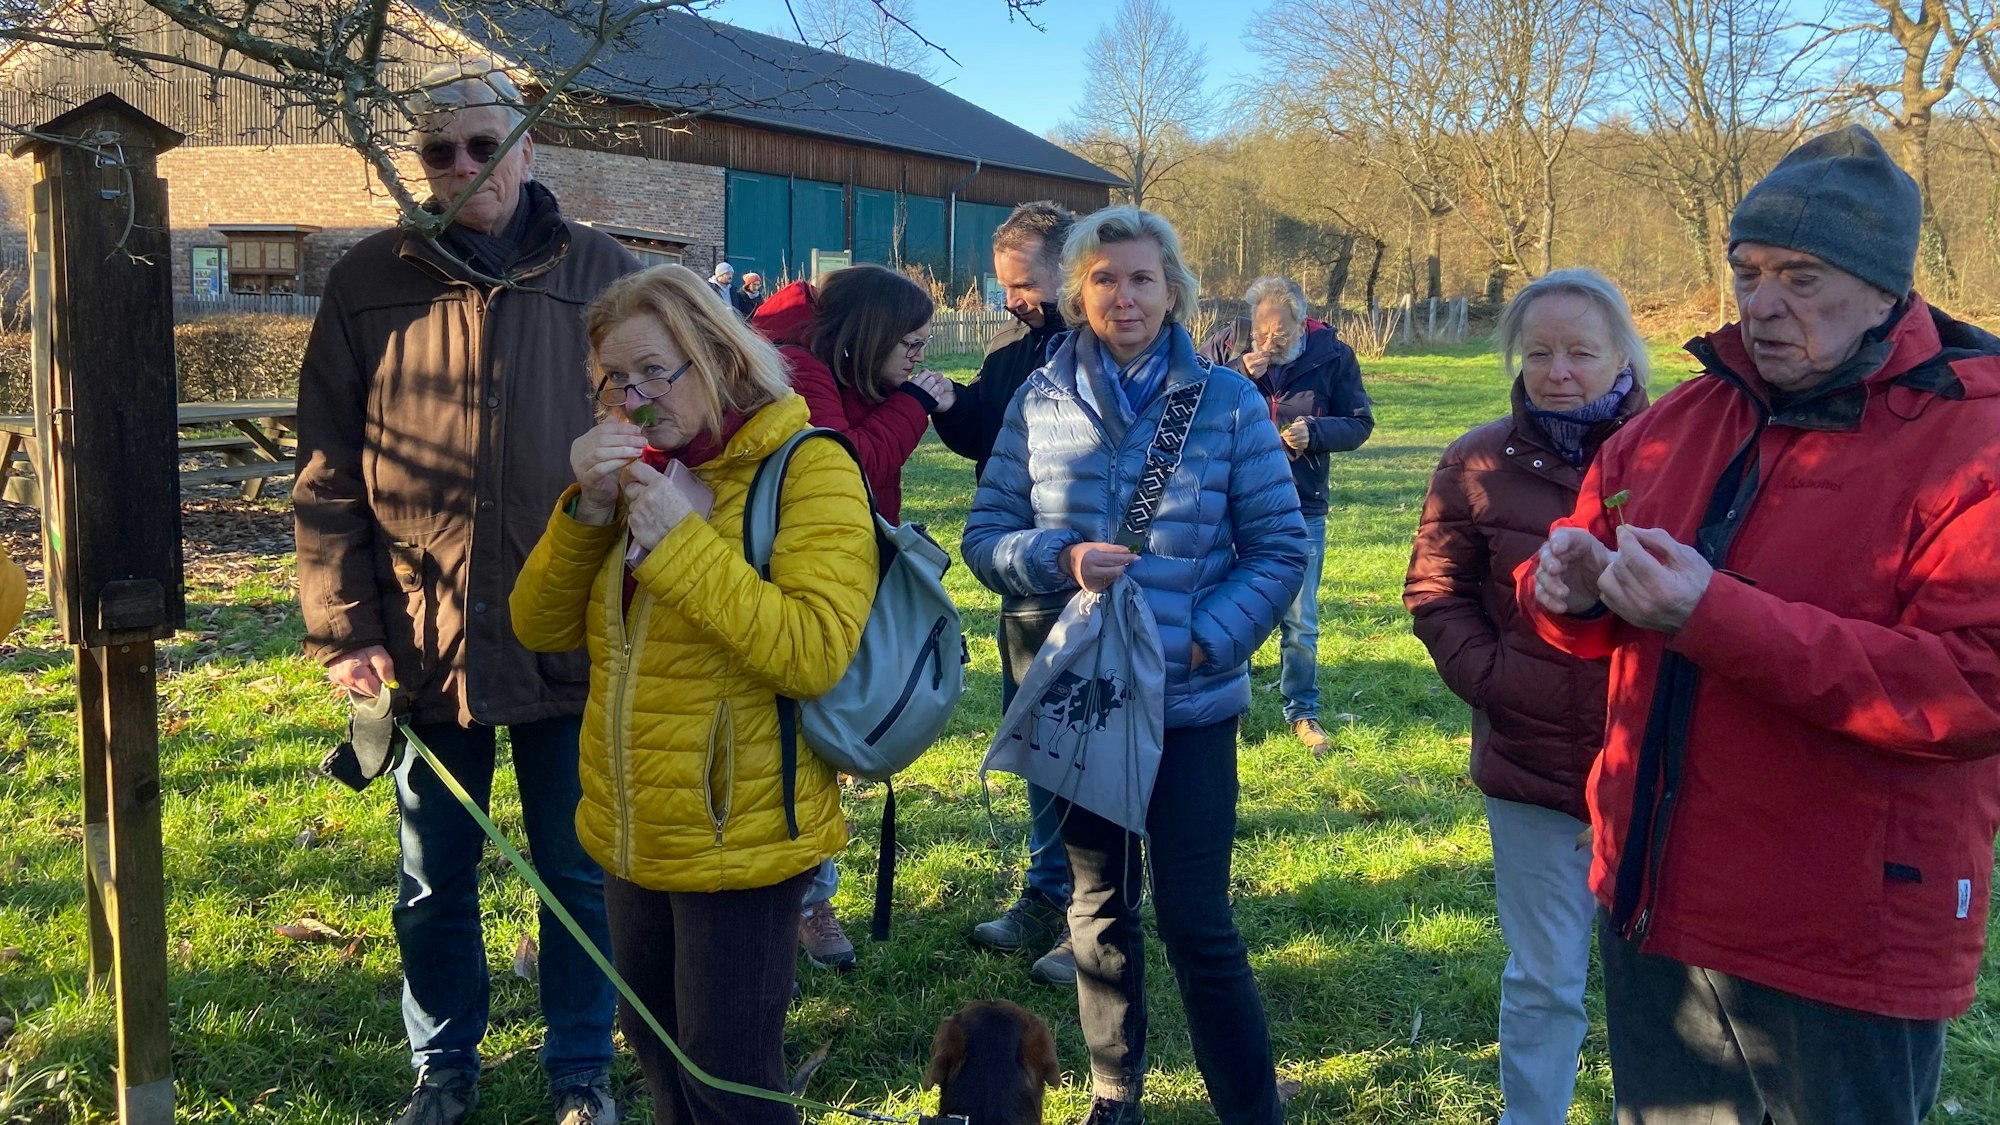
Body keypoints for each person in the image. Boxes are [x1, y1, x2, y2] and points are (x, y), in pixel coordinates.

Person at [1519, 126, 2000, 1124]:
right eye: (1747, 272)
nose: (1763, 304)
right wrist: (1562, 586)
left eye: (1802, 278)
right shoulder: (1677, 423)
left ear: (1885, 290)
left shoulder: (1974, 442)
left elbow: (1972, 686)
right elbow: (1580, 564)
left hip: (1844, 935)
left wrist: (1711, 614)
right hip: (1656, 898)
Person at [292, 60, 633, 1125]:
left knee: (578, 874)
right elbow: (327, 468)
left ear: (527, 147)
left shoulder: (604, 272)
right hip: (420, 632)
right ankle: (443, 1064)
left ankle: (581, 1068)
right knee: (433, 875)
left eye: (483, 144)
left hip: (571, 627)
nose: (461, 165)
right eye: (438, 150)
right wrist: (345, 627)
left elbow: (679, 421)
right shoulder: (368, 279)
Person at [962, 205, 1308, 1125]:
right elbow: (985, 535)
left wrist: (1202, 639)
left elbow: (1279, 548)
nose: (1125, 295)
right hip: (1083, 703)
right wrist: (1058, 556)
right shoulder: (1038, 400)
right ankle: (1115, 1094)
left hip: (1189, 705)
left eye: (1143, 278)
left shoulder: (1228, 402)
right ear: (1077, 291)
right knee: (1098, 909)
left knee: (1198, 921)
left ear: (1174, 290)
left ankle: (1251, 1109)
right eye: (1105, 278)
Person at [511, 264, 877, 1124]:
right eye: (613, 379)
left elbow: (813, 651)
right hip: (631, 821)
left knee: (731, 1080)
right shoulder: (640, 471)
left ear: (718, 355)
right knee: (658, 1053)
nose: (632, 399)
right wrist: (588, 508)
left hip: (738, 830)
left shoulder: (808, 468)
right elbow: (539, 624)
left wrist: (679, 544)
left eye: (653, 372)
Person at [1404, 268, 1650, 1125]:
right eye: (1539, 352)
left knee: (1662, 993)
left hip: (1656, 769)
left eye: (1581, 350)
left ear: (1622, 355)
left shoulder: (1678, 452)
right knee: (1545, 978)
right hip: (1532, 765)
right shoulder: (1474, 461)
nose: (1559, 370)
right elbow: (1435, 591)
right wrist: (1496, 680)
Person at [750, 262, 955, 970]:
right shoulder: (799, 367)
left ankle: (803, 891)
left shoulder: (831, 366)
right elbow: (848, 466)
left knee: (819, 735)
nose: (918, 358)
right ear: (869, 333)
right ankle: (803, 900)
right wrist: (915, 405)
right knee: (808, 734)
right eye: (911, 344)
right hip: (805, 579)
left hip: (842, 568)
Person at [932, 200, 1079, 987]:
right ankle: (1045, 891)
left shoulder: (1103, 347)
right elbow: (985, 437)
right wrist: (949, 403)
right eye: (1005, 286)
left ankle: (1099, 908)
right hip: (1025, 571)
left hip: (1098, 576)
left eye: (1024, 283)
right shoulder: (1008, 349)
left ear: (1069, 268)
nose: (1013, 299)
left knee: (1098, 742)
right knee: (1035, 738)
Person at [1200, 276, 1374, 754]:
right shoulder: (1227, 346)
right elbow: (1189, 399)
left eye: (1279, 333)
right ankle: (1229, 707)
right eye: (1261, 332)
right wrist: (1238, 370)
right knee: (1230, 609)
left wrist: (1315, 432)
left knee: (1300, 620)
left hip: (1301, 505)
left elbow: (1360, 423)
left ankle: (1302, 711)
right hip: (1232, 501)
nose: (1268, 342)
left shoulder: (1333, 356)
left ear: (1302, 323)